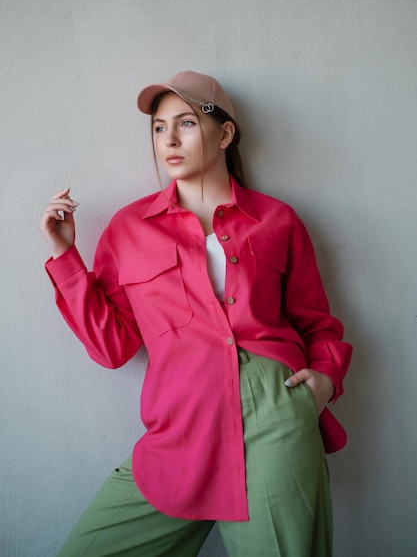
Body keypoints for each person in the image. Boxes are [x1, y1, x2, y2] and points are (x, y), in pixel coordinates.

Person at [40, 70, 352, 556]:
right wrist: (65, 258)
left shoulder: (277, 220)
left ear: (224, 133)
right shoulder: (128, 228)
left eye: (185, 123)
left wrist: (324, 383)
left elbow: (316, 321)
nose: (169, 140)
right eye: (159, 127)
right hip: (181, 422)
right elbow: (112, 347)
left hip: (273, 411)